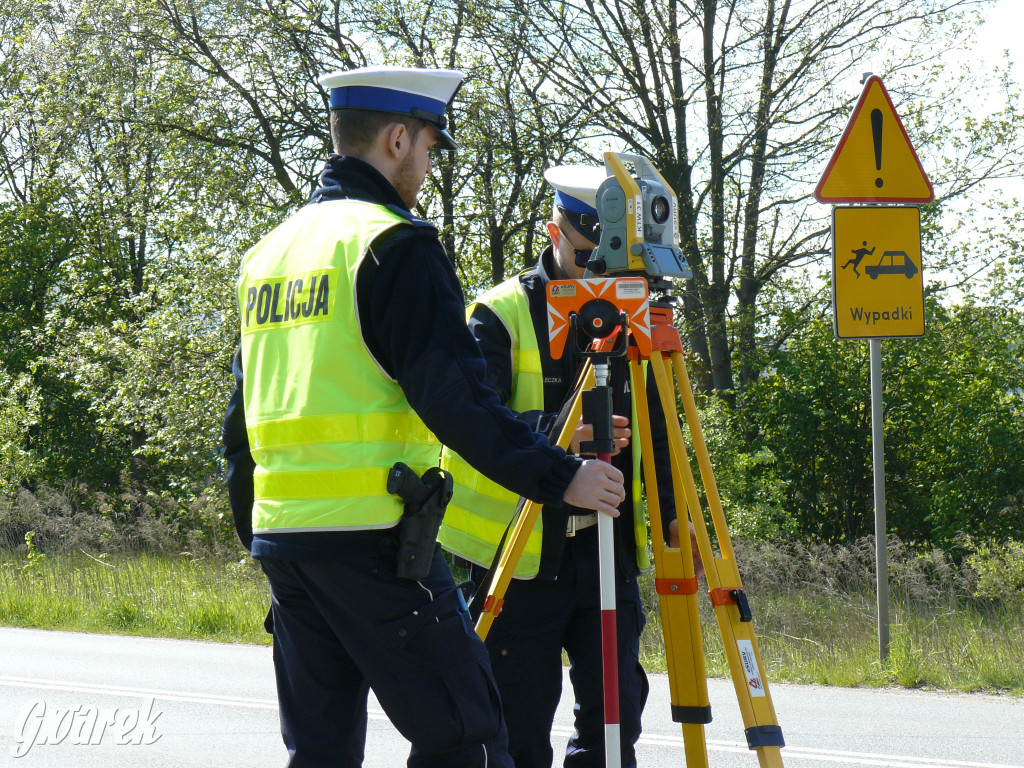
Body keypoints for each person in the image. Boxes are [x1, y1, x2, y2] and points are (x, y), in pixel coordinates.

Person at [221, 68, 626, 768]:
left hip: (288, 543)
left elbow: (240, 426)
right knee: (466, 734)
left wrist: (260, 535)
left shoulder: (271, 255)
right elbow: (458, 402)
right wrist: (561, 476)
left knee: (320, 753)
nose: (429, 167)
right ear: (398, 138)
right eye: (430, 149)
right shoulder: (393, 245)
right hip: (377, 539)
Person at [438, 164, 702, 768]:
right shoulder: (498, 315)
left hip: (604, 546)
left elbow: (658, 426)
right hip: (517, 552)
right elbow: (472, 424)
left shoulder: (634, 310)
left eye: (613, 265)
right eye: (589, 259)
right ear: (555, 232)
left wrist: (669, 515)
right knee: (516, 728)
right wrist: (561, 440)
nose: (601, 278)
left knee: (614, 726)